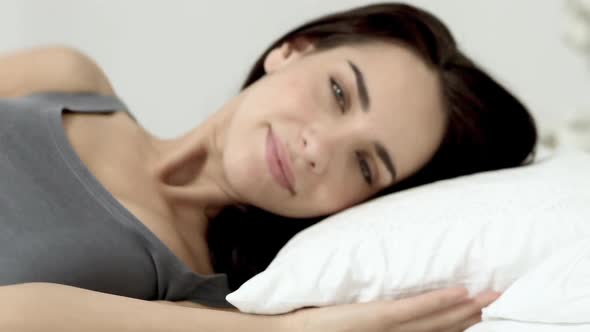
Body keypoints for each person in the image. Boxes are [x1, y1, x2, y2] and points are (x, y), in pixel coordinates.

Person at [0, 2, 536, 332]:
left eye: (366, 166)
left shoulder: (211, 305)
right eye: (338, 93)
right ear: (292, 50)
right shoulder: (65, 78)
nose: (317, 147)